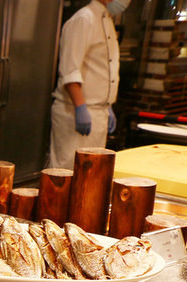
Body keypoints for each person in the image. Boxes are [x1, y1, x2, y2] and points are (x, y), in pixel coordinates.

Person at [48, 0, 130, 170]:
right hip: (74, 112)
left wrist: (107, 105)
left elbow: (103, 68)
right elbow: (70, 70)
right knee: (67, 171)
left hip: (98, 114)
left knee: (91, 174)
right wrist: (81, 108)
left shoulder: (107, 20)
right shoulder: (83, 20)